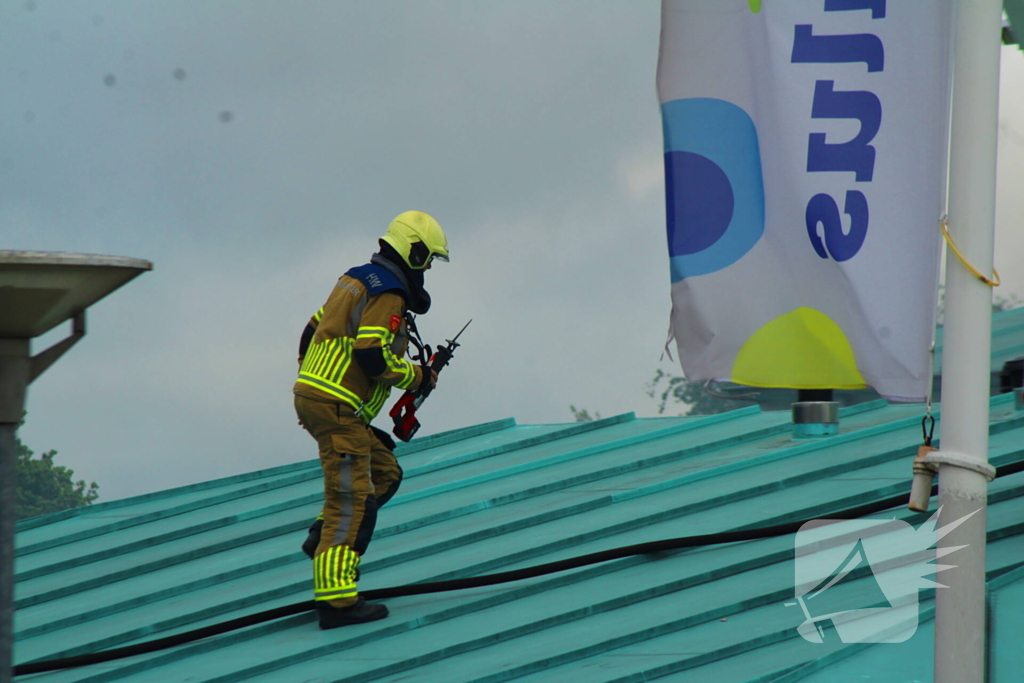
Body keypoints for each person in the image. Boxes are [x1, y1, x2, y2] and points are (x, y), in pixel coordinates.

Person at [293, 210, 448, 629]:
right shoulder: (391, 292)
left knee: (385, 472)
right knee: (352, 501)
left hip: (319, 399)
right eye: (428, 258)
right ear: (413, 251)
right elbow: (371, 355)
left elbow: (311, 329)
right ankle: (337, 601)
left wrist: (314, 379)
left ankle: (320, 537)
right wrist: (417, 376)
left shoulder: (355, 278)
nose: (429, 268)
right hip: (337, 406)